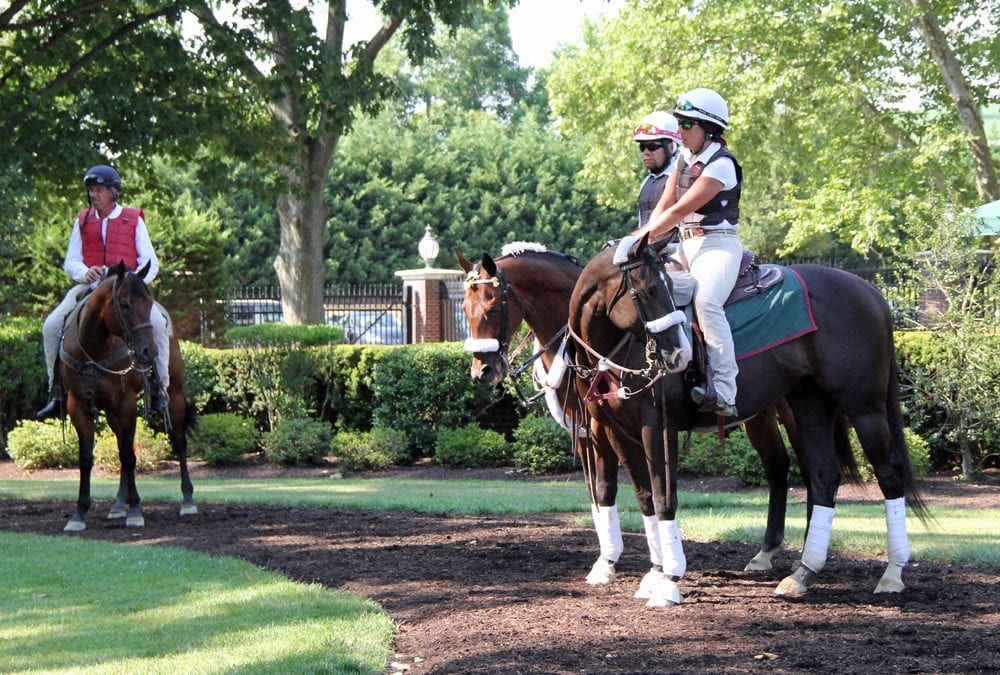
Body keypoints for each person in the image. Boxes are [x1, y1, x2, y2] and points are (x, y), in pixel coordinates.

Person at [631, 88, 743, 417]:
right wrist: (637, 239)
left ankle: (724, 389)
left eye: (686, 125)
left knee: (706, 302)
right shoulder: (683, 159)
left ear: (708, 128)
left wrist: (636, 241)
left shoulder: (721, 164)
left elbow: (679, 210)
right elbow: (663, 207)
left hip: (717, 245)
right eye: (679, 124)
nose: (679, 132)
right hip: (684, 246)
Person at [36, 165, 171, 418]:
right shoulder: (83, 220)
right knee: (51, 326)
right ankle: (57, 394)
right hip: (90, 290)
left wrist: (133, 282)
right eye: (90, 190)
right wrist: (84, 272)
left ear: (113, 192)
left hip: (126, 292)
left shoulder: (134, 219)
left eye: (98, 190)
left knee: (158, 324)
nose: (93, 195)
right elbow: (71, 260)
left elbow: (150, 262)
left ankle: (158, 390)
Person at [632, 110, 682, 228]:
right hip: (648, 244)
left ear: (671, 147)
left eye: (652, 146)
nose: (646, 153)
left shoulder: (684, 178)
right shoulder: (646, 182)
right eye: (642, 147)